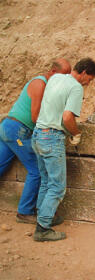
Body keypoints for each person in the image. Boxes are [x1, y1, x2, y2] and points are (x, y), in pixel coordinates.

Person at [31, 57, 95, 242]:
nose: (88, 83)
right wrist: (75, 133)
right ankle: (42, 228)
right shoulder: (76, 87)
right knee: (57, 187)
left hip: (38, 134)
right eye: (90, 79)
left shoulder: (55, 78)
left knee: (46, 181)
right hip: (52, 137)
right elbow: (68, 116)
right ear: (84, 72)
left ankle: (44, 218)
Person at [0, 58, 71, 224]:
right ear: (53, 72)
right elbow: (35, 116)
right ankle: (24, 212)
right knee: (37, 170)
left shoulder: (45, 85)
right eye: (62, 76)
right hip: (18, 130)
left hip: (9, 127)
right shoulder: (40, 84)